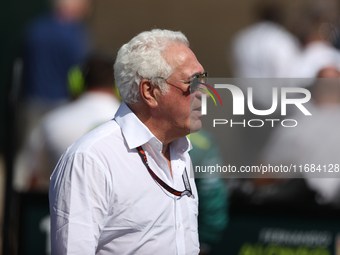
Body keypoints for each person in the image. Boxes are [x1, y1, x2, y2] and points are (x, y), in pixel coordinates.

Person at [49, 29, 206, 254]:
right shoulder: (91, 158)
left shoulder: (180, 153)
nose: (204, 93)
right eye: (192, 82)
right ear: (150, 91)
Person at [19, 53, 120, 191]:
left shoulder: (51, 121)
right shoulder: (134, 122)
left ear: (76, 82)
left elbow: (31, 180)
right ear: (118, 85)